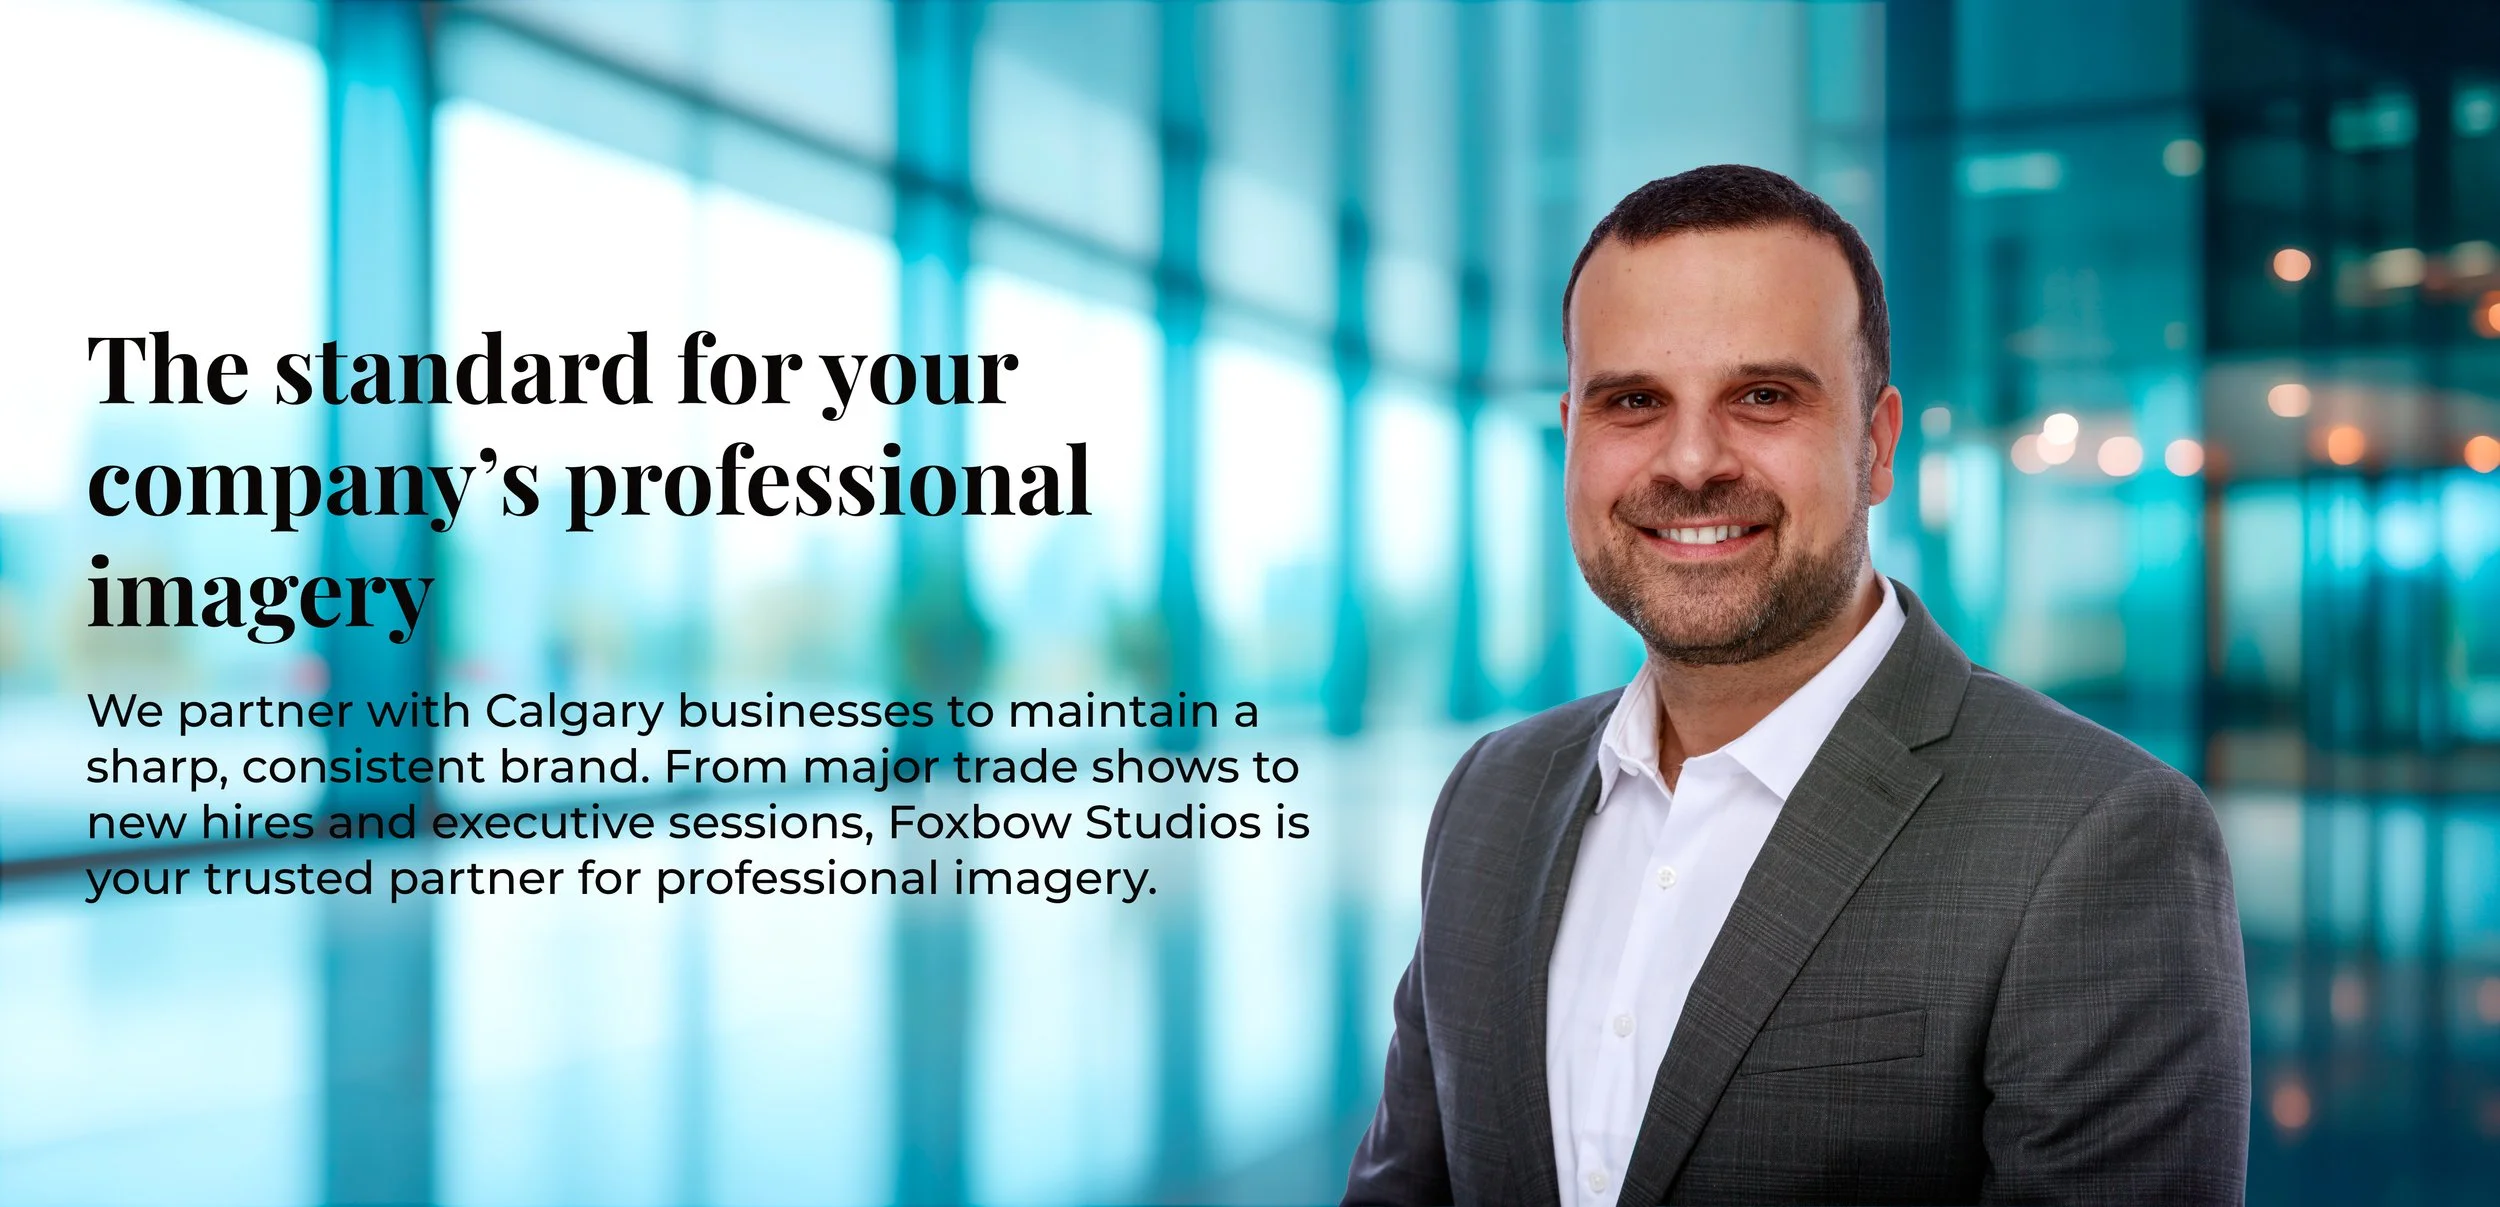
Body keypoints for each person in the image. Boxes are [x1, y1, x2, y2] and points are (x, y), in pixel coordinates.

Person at [1342, 164, 2250, 1206]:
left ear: (1875, 444)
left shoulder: (2098, 838)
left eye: (1762, 396)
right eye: (1632, 401)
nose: (1689, 462)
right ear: (1571, 436)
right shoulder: (1488, 796)